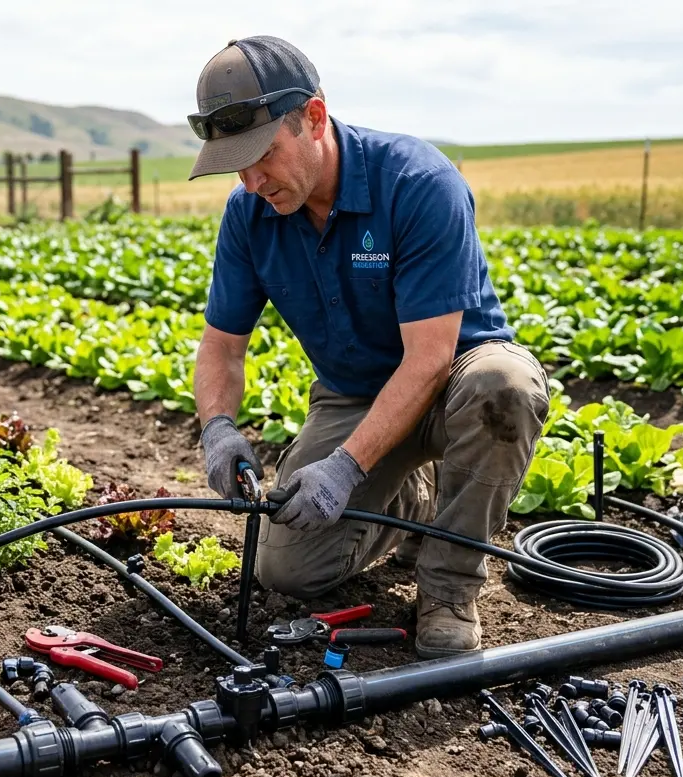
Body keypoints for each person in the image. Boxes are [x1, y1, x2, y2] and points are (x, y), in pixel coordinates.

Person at [187, 35, 550, 658]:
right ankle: (413, 497)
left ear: (315, 119)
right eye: (235, 165)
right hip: (354, 395)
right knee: (289, 573)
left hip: (455, 386)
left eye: (264, 155)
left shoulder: (416, 183)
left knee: (505, 388)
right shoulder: (248, 214)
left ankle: (448, 588)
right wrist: (217, 427)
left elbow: (430, 360)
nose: (251, 180)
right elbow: (222, 346)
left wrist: (346, 470)